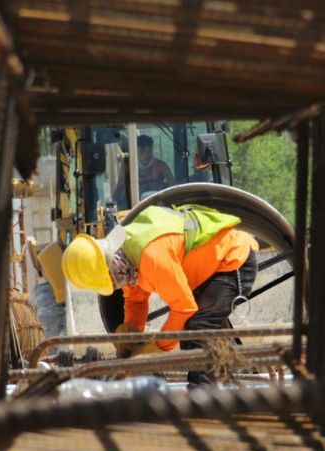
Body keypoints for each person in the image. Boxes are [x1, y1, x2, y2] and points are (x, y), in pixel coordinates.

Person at [61, 204, 258, 387]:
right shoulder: (126, 255)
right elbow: (135, 300)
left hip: (233, 261)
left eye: (111, 281)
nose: (114, 286)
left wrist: (154, 348)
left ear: (109, 265)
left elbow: (184, 308)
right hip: (209, 270)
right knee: (191, 331)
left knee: (197, 328)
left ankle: (202, 398)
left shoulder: (151, 256)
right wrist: (131, 337)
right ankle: (206, 388)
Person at [113, 135, 175, 208]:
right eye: (142, 150)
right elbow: (120, 187)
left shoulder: (161, 166)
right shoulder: (128, 166)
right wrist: (114, 203)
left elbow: (173, 187)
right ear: (136, 151)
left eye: (149, 150)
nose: (146, 154)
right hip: (133, 206)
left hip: (158, 205)